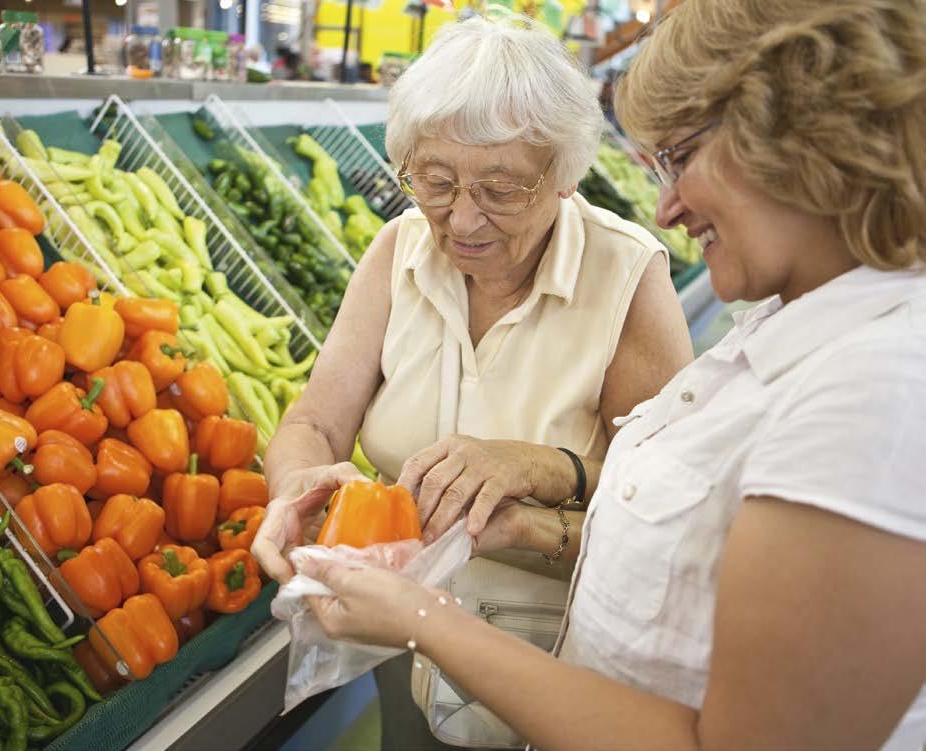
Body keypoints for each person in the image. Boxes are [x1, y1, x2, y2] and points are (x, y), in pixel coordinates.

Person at [272, 1, 926, 749]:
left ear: (794, 145)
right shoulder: (793, 330)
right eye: (434, 181)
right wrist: (517, 524)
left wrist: (428, 614)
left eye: (679, 156)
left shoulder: (877, 389)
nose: (665, 205)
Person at [251, 14, 692, 750]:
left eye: (502, 188)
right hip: (395, 646)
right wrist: (294, 486)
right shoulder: (397, 249)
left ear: (563, 175)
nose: (460, 218)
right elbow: (314, 424)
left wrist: (541, 470)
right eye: (433, 180)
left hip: (557, 664)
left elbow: (668, 511)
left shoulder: (625, 274)